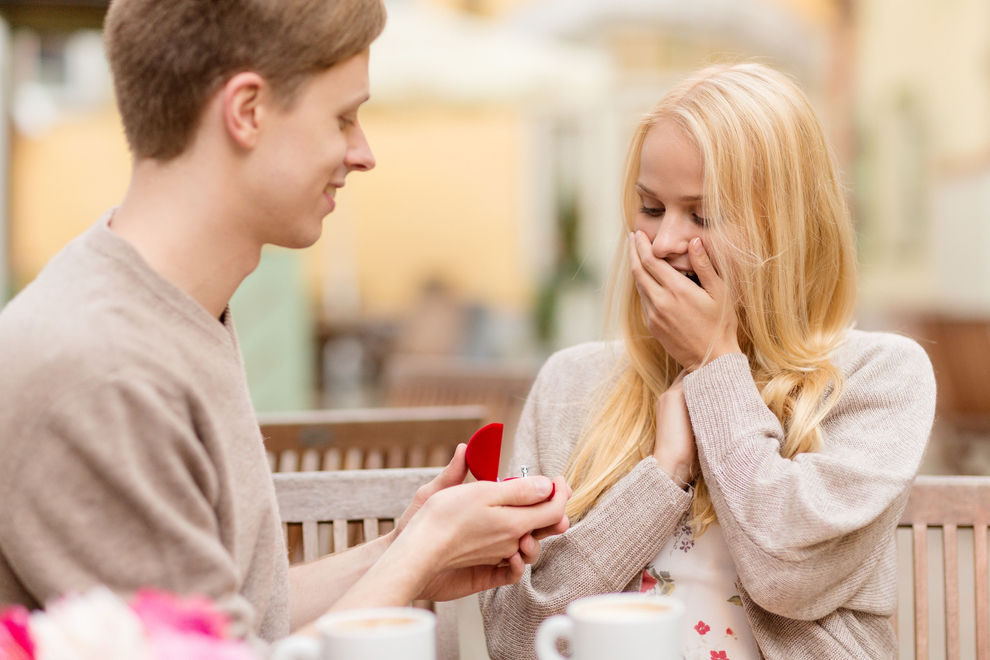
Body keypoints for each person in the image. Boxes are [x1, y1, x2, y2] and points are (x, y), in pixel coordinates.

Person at [0, 0, 570, 644]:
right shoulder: (99, 369)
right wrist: (424, 552)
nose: (364, 153)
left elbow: (240, 615)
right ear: (247, 111)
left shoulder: (170, 313)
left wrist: (402, 551)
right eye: (343, 117)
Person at [479, 62, 935, 659]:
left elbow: (785, 575)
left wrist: (717, 369)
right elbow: (516, 639)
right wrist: (663, 476)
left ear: (788, 230)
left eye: (703, 214)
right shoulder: (571, 382)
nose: (667, 241)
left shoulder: (881, 377)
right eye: (650, 207)